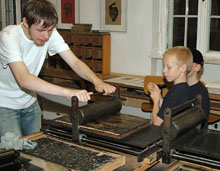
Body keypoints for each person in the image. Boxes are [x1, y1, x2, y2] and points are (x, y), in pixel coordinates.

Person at [0, 0, 115, 138]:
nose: (46, 36)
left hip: (29, 101)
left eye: (49, 30)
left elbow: (74, 62)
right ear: (25, 22)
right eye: (41, 30)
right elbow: (23, 79)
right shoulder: (9, 36)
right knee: (13, 151)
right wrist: (66, 91)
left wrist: (97, 81)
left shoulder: (50, 33)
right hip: (4, 104)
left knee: (35, 148)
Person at [147, 46, 193, 126]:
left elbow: (157, 123)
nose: (164, 70)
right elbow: (168, 108)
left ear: (183, 68)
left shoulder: (174, 93)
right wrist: (159, 96)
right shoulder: (185, 89)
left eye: (169, 67)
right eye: (163, 66)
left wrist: (155, 100)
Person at [187, 49, 210, 129]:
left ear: (197, 67)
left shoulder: (202, 92)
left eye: (188, 63)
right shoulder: (178, 87)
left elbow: (203, 122)